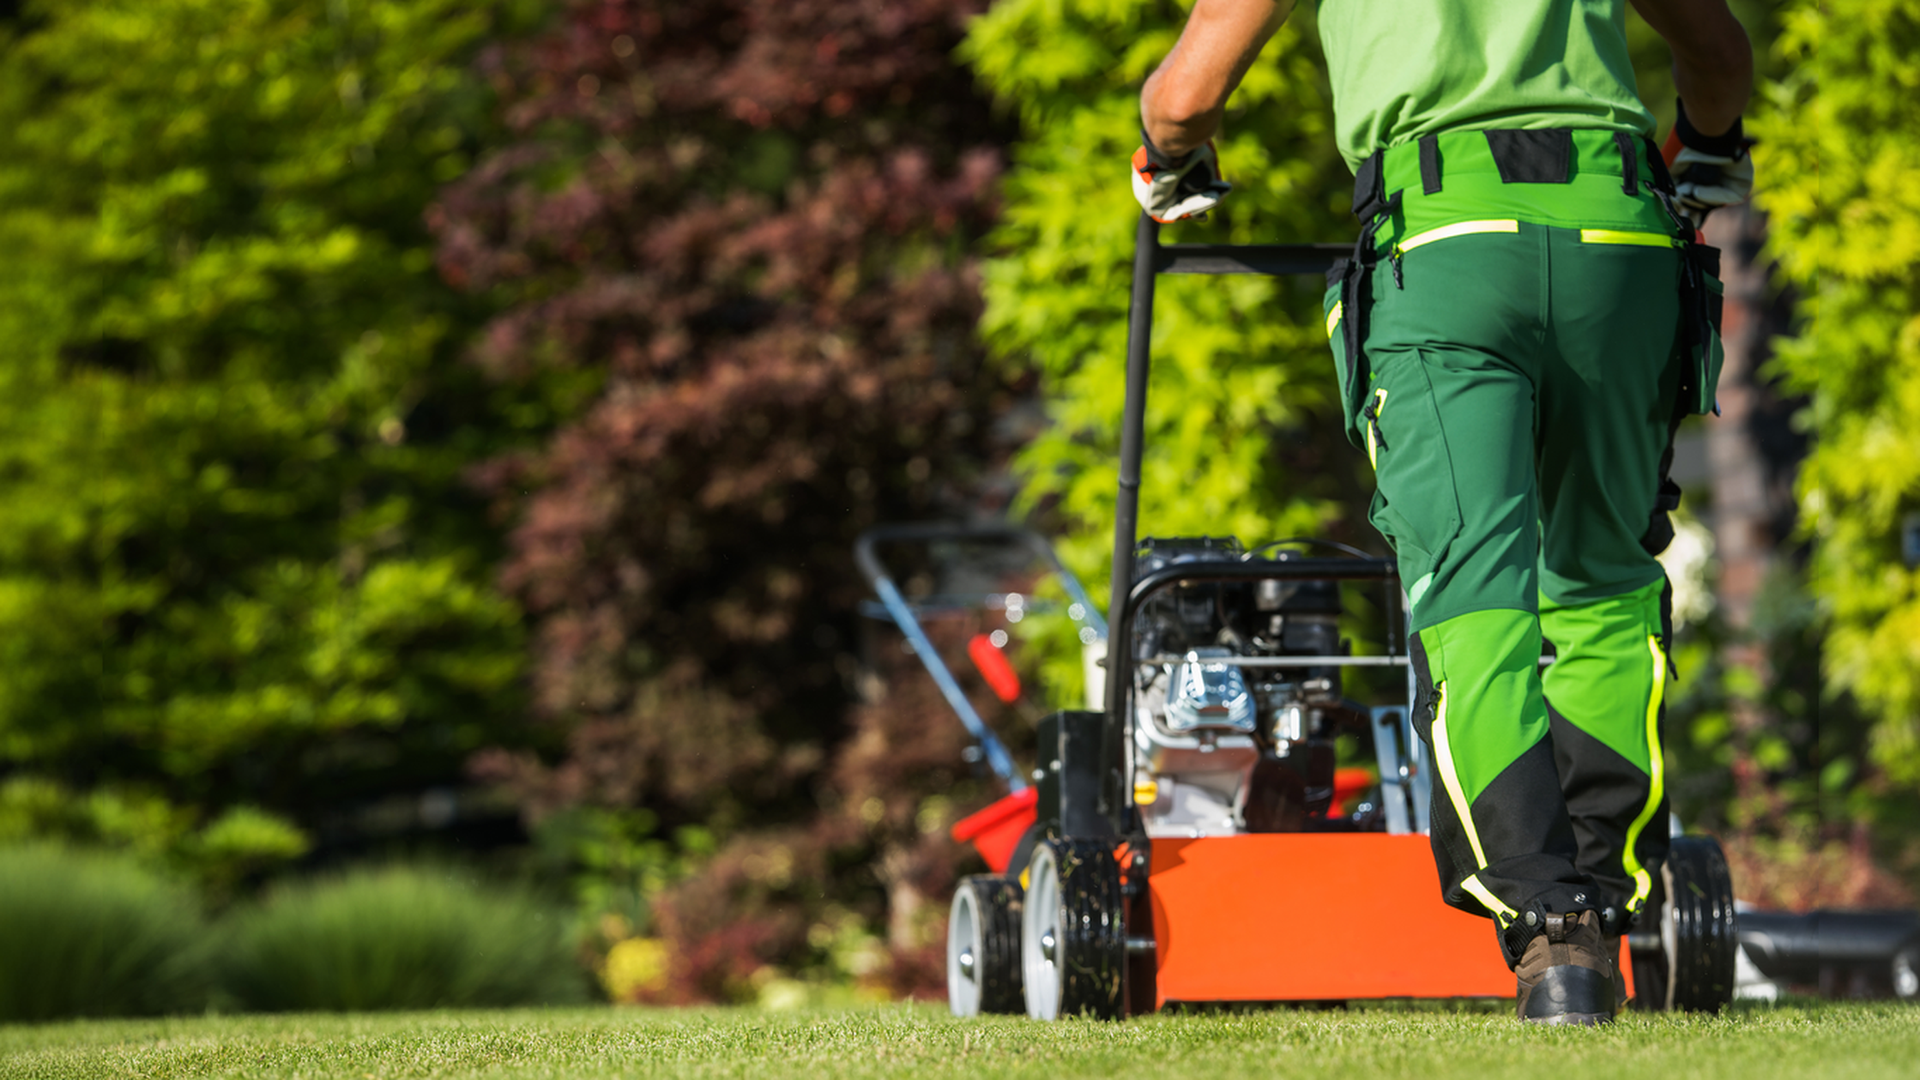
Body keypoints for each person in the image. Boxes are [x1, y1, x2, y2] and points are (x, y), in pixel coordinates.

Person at [1134, 0, 1753, 1025]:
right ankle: (1596, 908)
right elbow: (1718, 54)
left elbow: (1188, 95)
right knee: (1603, 580)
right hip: (1620, 236)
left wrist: (1166, 157)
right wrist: (1706, 144)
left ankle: (1550, 928)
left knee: (1475, 589)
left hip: (1449, 241)